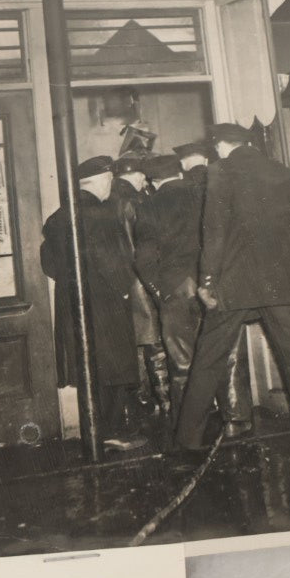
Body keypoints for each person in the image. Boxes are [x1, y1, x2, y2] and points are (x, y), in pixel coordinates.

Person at [173, 123, 290, 484]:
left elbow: (212, 232)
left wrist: (207, 282)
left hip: (234, 284)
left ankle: (187, 440)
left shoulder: (220, 172)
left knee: (210, 356)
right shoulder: (280, 171)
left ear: (219, 147)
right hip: (283, 284)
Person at [136, 147, 251, 443]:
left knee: (182, 362)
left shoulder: (150, 205)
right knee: (227, 353)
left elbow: (144, 259)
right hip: (215, 286)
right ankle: (237, 420)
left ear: (153, 182)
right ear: (179, 172)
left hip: (177, 291)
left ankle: (189, 429)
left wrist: (161, 291)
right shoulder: (206, 194)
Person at [40, 156, 140, 440]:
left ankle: (96, 433)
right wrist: (123, 288)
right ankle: (112, 434)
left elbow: (49, 264)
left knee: (90, 372)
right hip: (105, 304)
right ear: (102, 180)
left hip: (74, 306)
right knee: (114, 371)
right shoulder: (100, 213)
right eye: (109, 180)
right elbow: (111, 260)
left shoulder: (59, 216)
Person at [111, 153, 168, 421]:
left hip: (118, 284)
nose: (145, 180)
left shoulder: (107, 199)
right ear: (134, 175)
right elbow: (141, 247)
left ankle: (136, 407)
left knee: (130, 347)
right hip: (140, 282)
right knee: (155, 344)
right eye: (142, 175)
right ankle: (167, 403)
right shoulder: (136, 201)